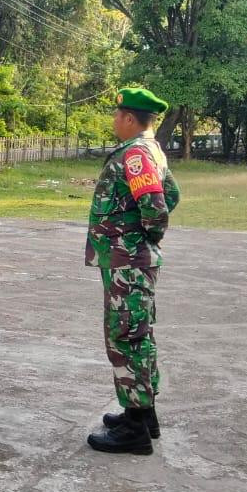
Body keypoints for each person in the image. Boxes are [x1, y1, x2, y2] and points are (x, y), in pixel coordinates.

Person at [85, 88, 180, 455]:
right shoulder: (151, 149)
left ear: (128, 118)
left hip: (129, 263)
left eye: (116, 115)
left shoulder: (137, 153)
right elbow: (173, 192)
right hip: (130, 260)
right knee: (138, 333)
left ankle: (136, 429)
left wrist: (136, 240)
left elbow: (157, 208)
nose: (113, 121)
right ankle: (143, 413)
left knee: (126, 336)